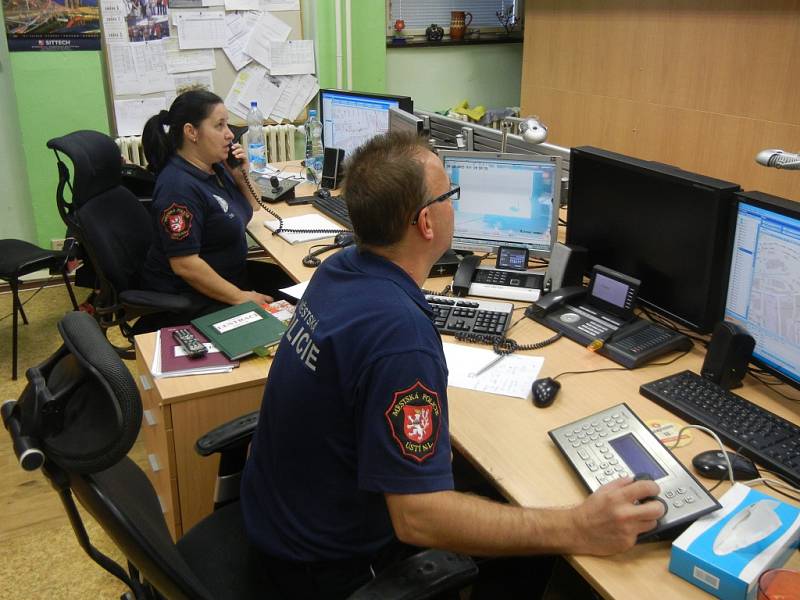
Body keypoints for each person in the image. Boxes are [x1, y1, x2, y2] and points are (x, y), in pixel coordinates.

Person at [240, 132, 666, 599]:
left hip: (280, 522)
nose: (454, 204)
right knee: (542, 542)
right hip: (329, 570)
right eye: (451, 194)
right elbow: (417, 517)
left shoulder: (341, 270)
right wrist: (578, 526)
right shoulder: (399, 337)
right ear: (426, 221)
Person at [139, 90, 292, 322]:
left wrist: (241, 174)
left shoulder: (215, 166)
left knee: (306, 291)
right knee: (293, 319)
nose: (230, 134)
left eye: (227, 125)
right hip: (195, 296)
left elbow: (255, 205)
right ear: (191, 132)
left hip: (233, 277)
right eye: (219, 126)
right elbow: (185, 264)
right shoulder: (178, 189)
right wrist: (241, 297)